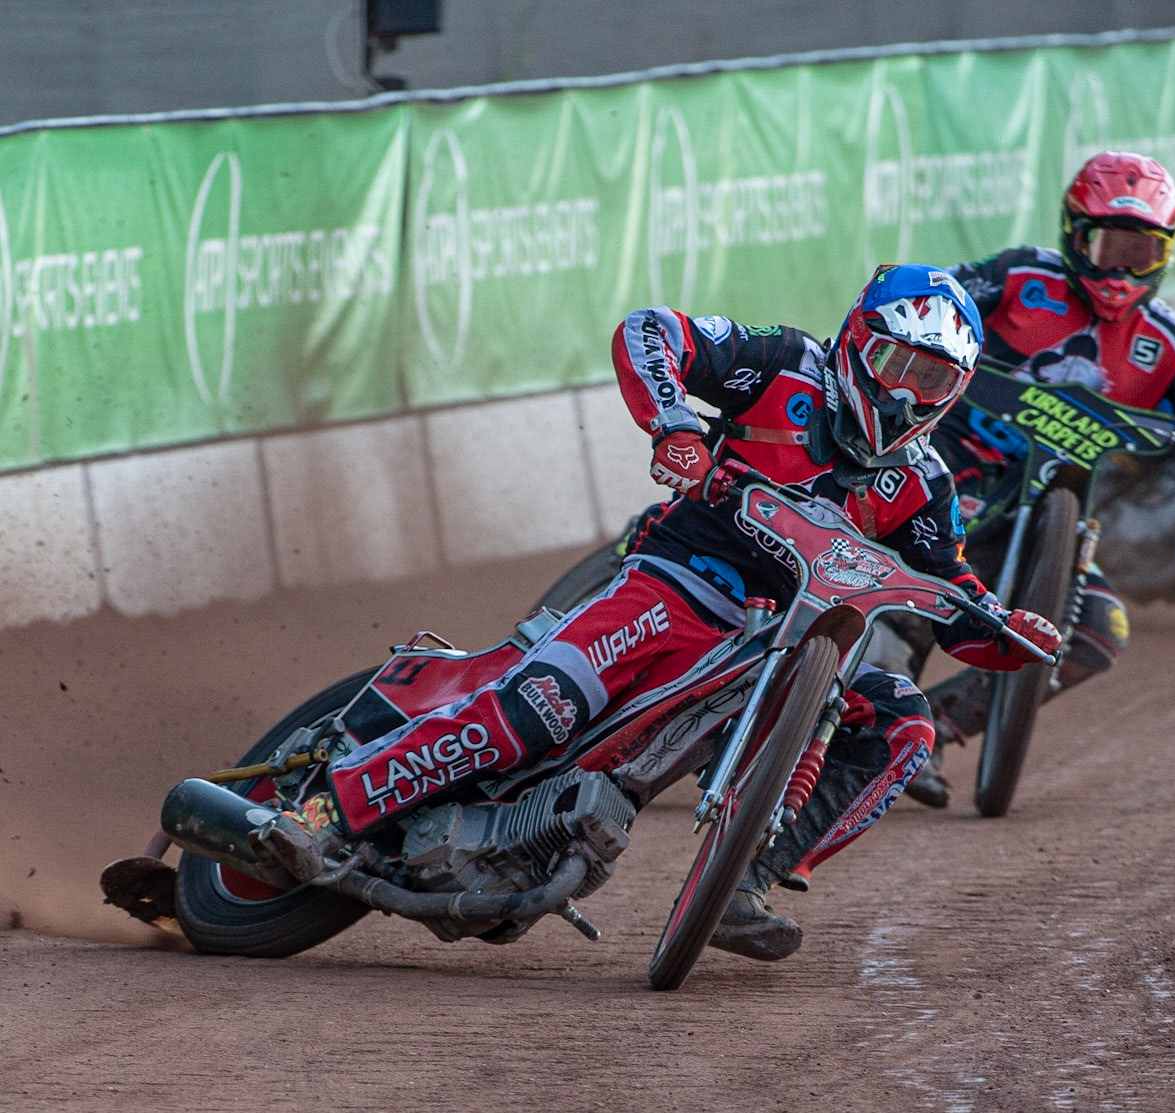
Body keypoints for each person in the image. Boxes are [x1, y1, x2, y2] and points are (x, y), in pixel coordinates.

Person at [256, 263, 1062, 962]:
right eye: (893, 361)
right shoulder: (785, 364)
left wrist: (1006, 629)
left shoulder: (923, 484)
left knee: (902, 723)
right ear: (857, 338)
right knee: (546, 705)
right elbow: (650, 331)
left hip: (784, 650)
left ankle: (743, 880)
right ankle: (329, 808)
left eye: (930, 380)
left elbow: (951, 590)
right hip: (678, 579)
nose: (901, 391)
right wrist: (675, 424)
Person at [889, 152, 1175, 808]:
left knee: (1099, 629)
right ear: (1071, 235)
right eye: (1105, 246)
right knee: (921, 563)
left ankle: (930, 729)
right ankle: (861, 713)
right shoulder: (1019, 274)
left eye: (1138, 253)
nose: (1119, 269)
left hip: (1050, 513)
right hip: (951, 462)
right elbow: (937, 301)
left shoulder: (1169, 339)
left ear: (1164, 255)